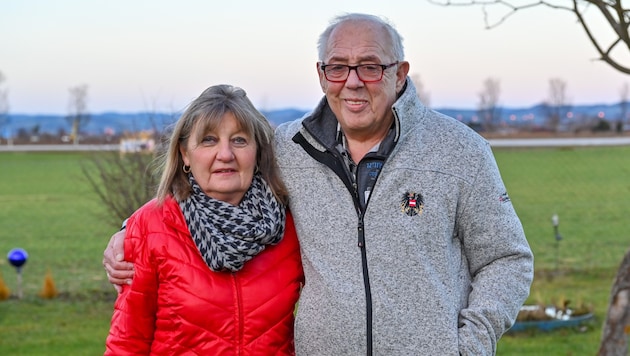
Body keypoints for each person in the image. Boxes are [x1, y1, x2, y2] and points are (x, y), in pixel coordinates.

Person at [104, 13, 533, 355]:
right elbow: (214, 183)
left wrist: (470, 344)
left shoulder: (460, 152)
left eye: (370, 66)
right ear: (321, 74)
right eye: (338, 67)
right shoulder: (287, 150)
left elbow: (507, 258)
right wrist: (130, 232)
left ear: (399, 73)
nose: (352, 81)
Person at [104, 84, 304, 355]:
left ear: (258, 152)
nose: (225, 154)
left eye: (239, 140)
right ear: (185, 154)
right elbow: (128, 343)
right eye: (209, 140)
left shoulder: (290, 224)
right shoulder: (151, 226)